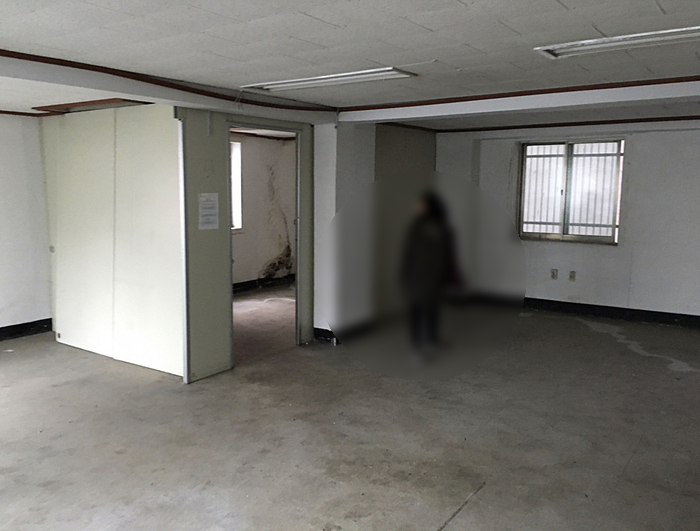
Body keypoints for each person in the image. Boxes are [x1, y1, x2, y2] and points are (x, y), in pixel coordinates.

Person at [400, 191, 458, 358]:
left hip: (433, 277)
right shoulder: (416, 226)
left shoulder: (440, 228)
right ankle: (417, 347)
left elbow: (447, 254)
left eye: (421, 204)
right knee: (417, 310)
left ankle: (431, 340)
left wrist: (447, 274)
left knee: (431, 310)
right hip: (417, 277)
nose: (417, 207)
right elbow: (409, 252)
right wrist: (404, 273)